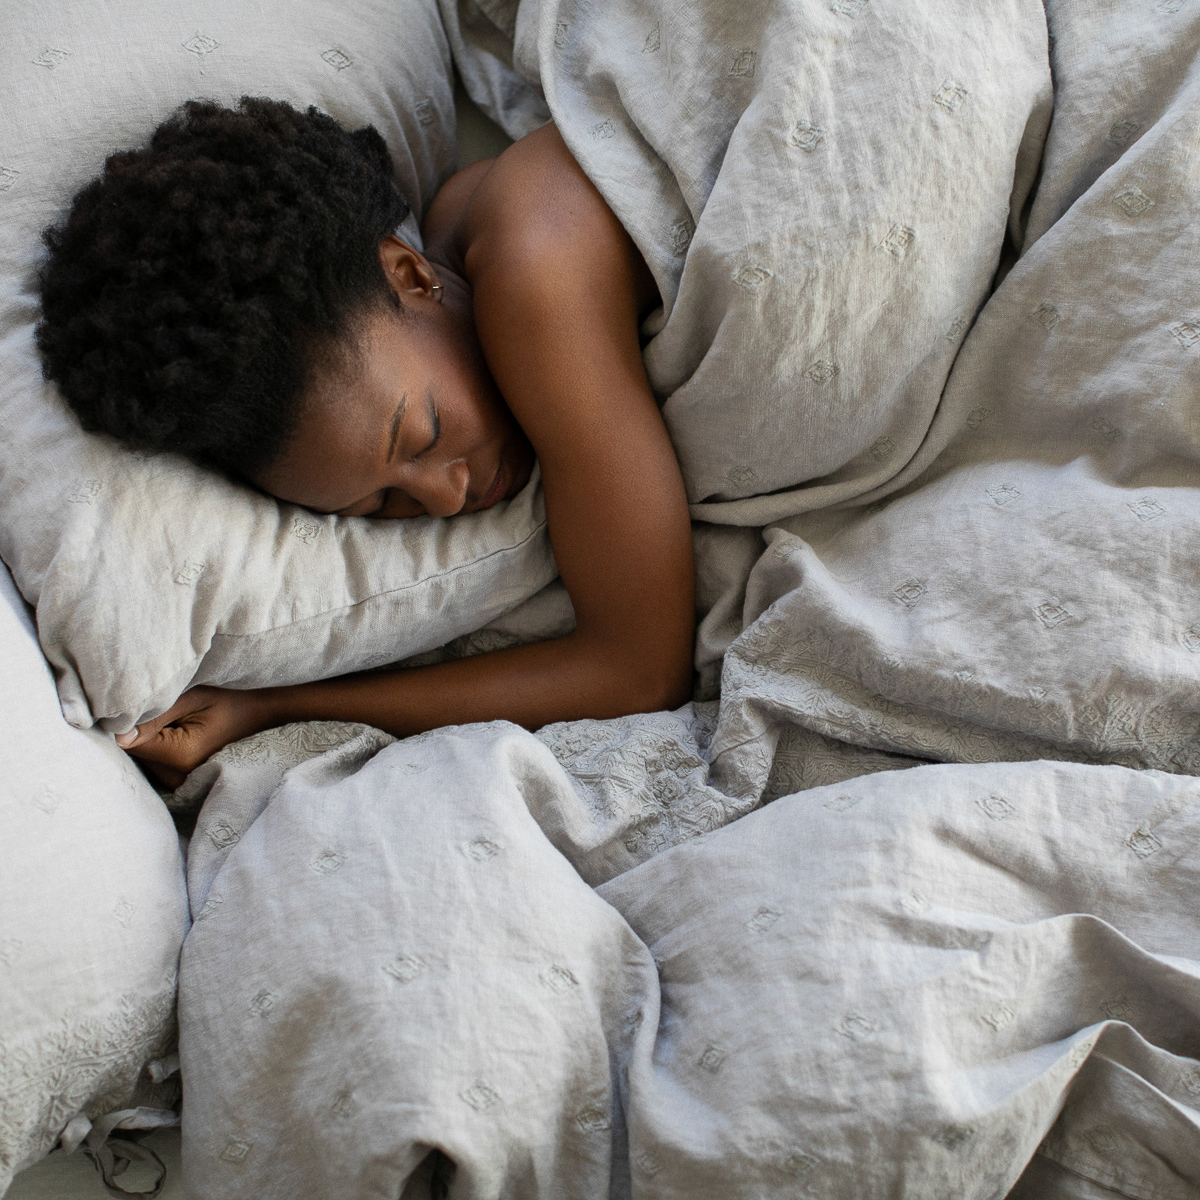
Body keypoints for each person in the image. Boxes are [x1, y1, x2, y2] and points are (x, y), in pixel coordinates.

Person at [37, 97, 694, 788]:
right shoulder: (463, 218)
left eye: (426, 431)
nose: (444, 498)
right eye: (383, 504)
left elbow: (640, 672)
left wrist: (274, 707)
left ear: (410, 274)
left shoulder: (534, 273)